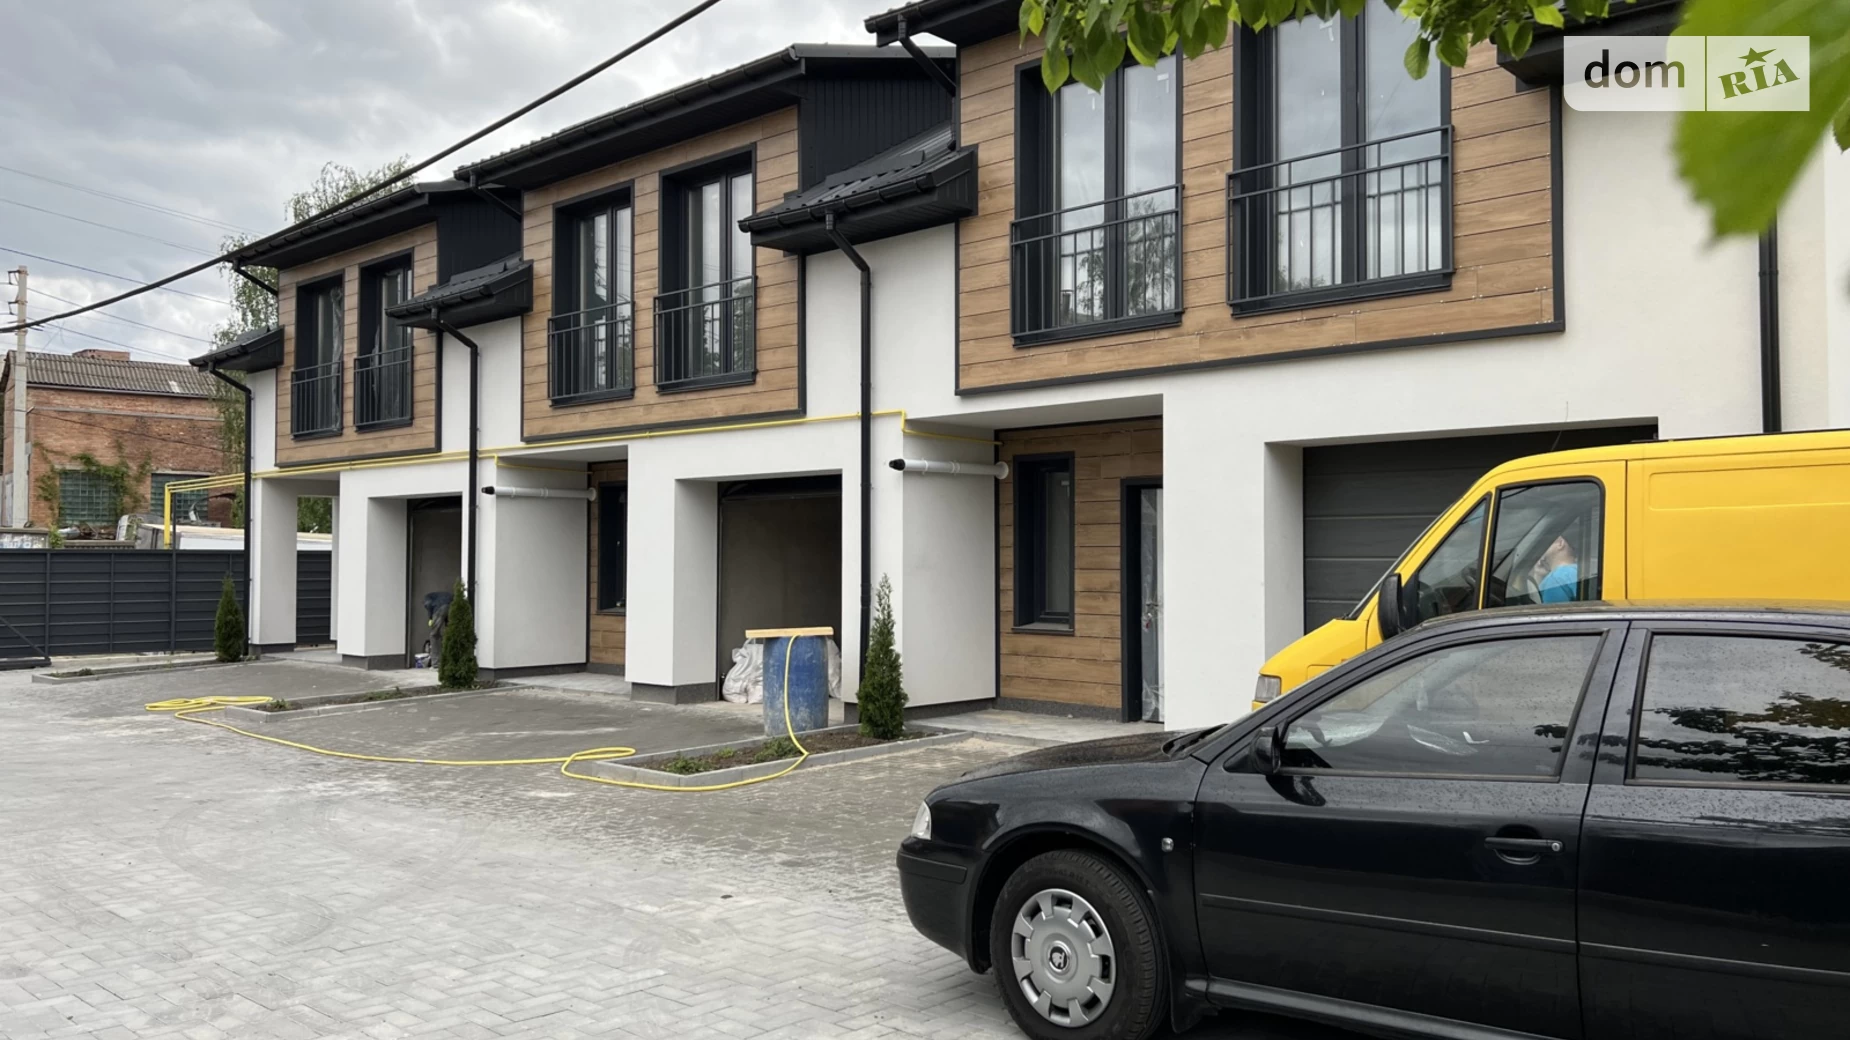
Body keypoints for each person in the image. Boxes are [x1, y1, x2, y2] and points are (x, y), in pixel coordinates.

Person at [1534, 535, 1581, 603]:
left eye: (1545, 543)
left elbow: (1550, 609)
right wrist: (1539, 576)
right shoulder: (1578, 572)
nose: (1541, 548)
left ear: (1560, 543)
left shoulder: (1556, 579)